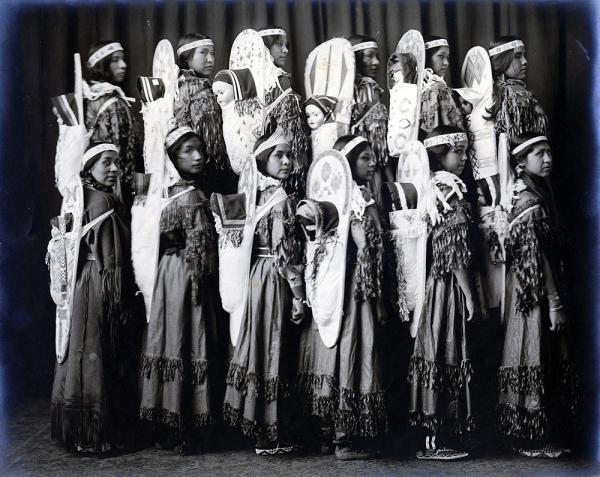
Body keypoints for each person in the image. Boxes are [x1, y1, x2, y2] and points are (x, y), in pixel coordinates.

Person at [296, 134, 387, 460]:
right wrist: (374, 294)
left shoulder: (330, 198)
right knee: (349, 352)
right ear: (348, 163)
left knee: (330, 354)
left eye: (373, 155)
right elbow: (367, 249)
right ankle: (344, 438)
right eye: (365, 157)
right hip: (352, 291)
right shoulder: (358, 199)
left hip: (330, 286)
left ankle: (327, 435)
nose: (373, 161)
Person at [221, 127, 306, 455]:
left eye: (288, 155)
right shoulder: (280, 198)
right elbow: (288, 255)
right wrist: (299, 296)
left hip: (254, 275)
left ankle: (261, 429)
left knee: (258, 347)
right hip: (274, 277)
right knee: (273, 348)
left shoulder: (251, 193)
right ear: (262, 160)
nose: (286, 161)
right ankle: (270, 434)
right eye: (278, 156)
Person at [139, 126, 222, 455]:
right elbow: (203, 250)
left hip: (167, 275)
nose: (197, 156)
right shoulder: (190, 197)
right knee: (190, 337)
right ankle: (189, 422)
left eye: (199, 149)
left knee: (170, 338)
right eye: (187, 151)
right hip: (188, 275)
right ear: (173, 158)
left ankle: (167, 420)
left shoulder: (163, 194)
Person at [51, 142, 138, 453]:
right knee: (96, 351)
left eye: (116, 163)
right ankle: (94, 434)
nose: (114, 169)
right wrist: (119, 299)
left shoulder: (77, 198)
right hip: (99, 282)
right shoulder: (103, 202)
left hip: (80, 284)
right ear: (89, 168)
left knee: (79, 349)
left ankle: (74, 429)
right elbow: (112, 260)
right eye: (106, 163)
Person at [497, 134, 577, 458]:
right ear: (521, 162)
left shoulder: (536, 192)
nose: (547, 159)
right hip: (531, 291)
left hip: (530, 288)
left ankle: (534, 435)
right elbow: (537, 258)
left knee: (537, 353)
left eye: (549, 152)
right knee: (532, 351)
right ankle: (532, 438)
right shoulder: (528, 200)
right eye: (539, 153)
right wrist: (554, 303)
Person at [408, 126, 480, 460]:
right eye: (457, 152)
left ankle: (438, 432)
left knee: (439, 350)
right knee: (445, 348)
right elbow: (453, 249)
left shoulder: (438, 186)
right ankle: (435, 438)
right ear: (440, 155)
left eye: (466, 151)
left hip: (437, 282)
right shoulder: (446, 189)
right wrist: (468, 293)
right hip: (447, 283)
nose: (464, 158)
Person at [84, 41, 141, 206]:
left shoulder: (89, 96)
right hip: (115, 188)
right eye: (115, 60)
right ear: (102, 65)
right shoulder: (112, 103)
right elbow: (123, 155)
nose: (123, 65)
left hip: (93, 186)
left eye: (122, 59)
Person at [174, 34, 230, 194]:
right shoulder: (199, 87)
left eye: (212, 53)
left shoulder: (177, 85)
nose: (210, 59)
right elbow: (214, 143)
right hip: (206, 169)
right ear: (187, 57)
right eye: (203, 53)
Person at [259, 26, 309, 198]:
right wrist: (297, 160)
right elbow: (292, 129)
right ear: (265, 48)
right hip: (284, 158)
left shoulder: (250, 80)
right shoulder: (279, 81)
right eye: (279, 45)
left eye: (286, 45)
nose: (285, 50)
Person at [485, 36, 548, 140]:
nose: (524, 61)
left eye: (524, 56)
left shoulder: (495, 89)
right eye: (518, 56)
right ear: (502, 59)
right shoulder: (513, 92)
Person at [348, 35, 391, 185]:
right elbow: (377, 139)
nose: (376, 62)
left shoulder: (347, 89)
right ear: (356, 58)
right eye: (369, 56)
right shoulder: (368, 87)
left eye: (377, 56)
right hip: (372, 166)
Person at [419, 35, 464, 136]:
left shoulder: (439, 86)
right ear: (427, 57)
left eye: (447, 57)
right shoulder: (435, 88)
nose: (446, 63)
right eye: (441, 56)